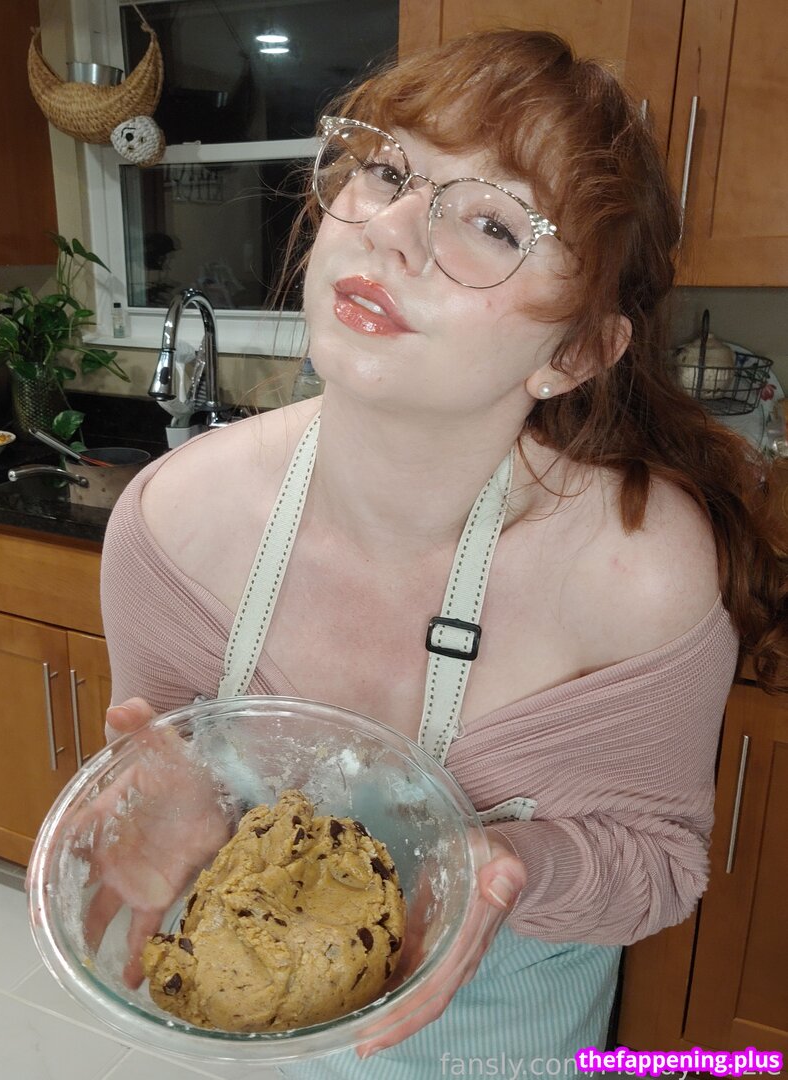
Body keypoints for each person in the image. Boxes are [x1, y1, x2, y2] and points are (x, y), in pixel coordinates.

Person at [99, 29, 787, 1079]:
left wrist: (513, 863)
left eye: (493, 222)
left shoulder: (636, 571)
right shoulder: (169, 524)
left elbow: (660, 865)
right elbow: (159, 783)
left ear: (575, 352)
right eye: (386, 172)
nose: (390, 229)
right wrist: (174, 815)